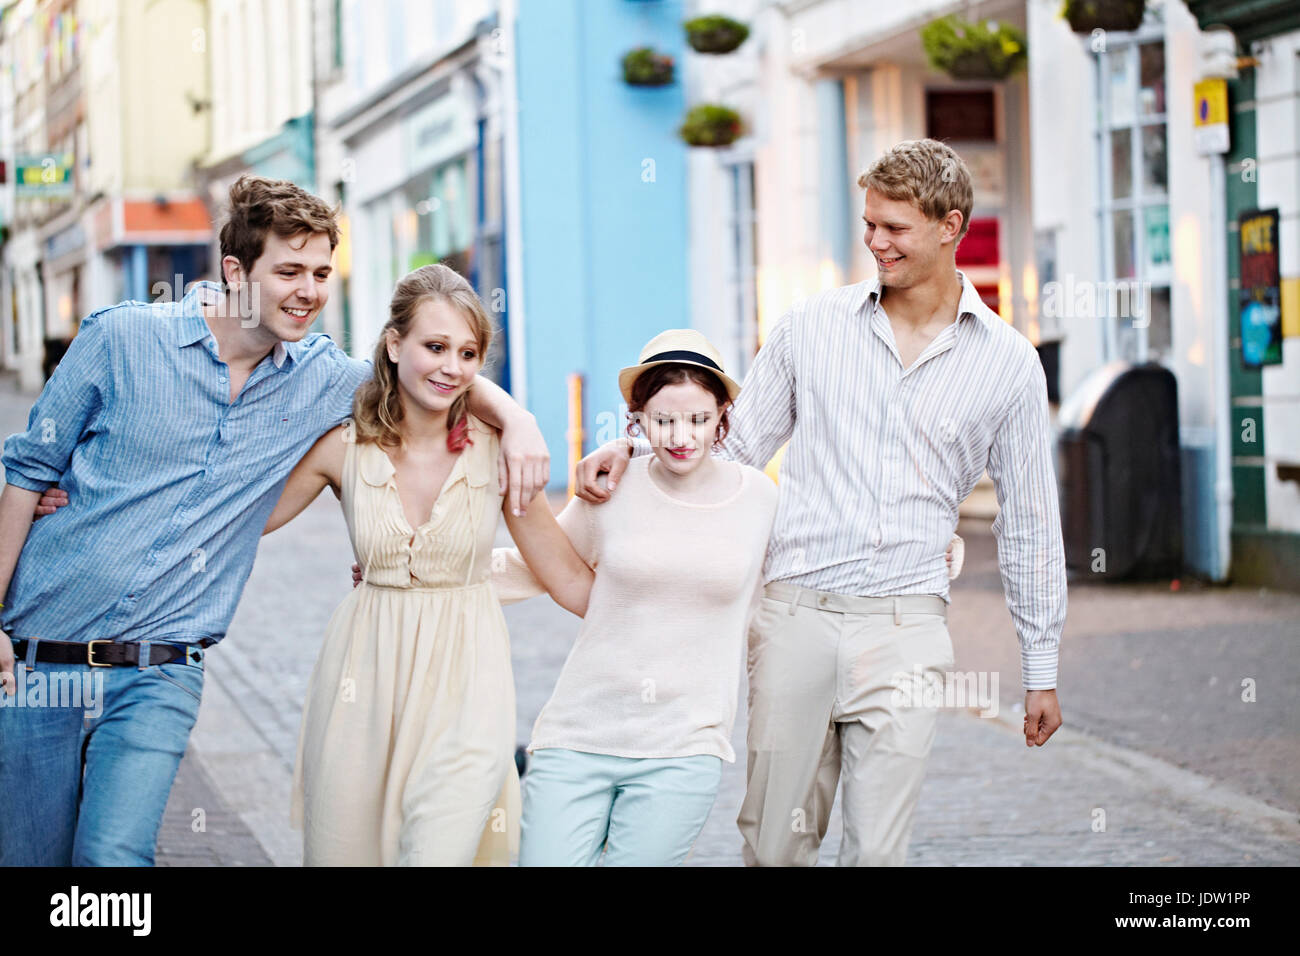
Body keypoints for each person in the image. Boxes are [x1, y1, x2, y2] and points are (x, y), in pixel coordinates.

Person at [0, 176, 548, 866]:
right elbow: (26, 474)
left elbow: (432, 365)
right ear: (236, 271)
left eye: (321, 272)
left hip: (162, 666)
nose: (310, 290)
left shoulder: (320, 377)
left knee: (113, 862)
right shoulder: (120, 340)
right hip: (39, 657)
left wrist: (519, 421)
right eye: (289, 270)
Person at [574, 139, 1068, 867]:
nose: (875, 242)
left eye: (894, 228)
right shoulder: (812, 328)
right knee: (776, 845)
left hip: (907, 625)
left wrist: (1041, 667)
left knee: (878, 852)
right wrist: (635, 451)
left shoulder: (1007, 363)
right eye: (869, 224)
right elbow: (731, 450)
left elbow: (1029, 521)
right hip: (795, 617)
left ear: (950, 227)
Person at [262, 264, 591, 866]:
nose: (451, 367)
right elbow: (239, 520)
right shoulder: (343, 447)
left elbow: (567, 575)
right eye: (435, 346)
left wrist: (667, 580)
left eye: (468, 353)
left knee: (439, 845)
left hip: (468, 680)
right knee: (348, 849)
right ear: (394, 344)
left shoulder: (500, 453)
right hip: (364, 673)